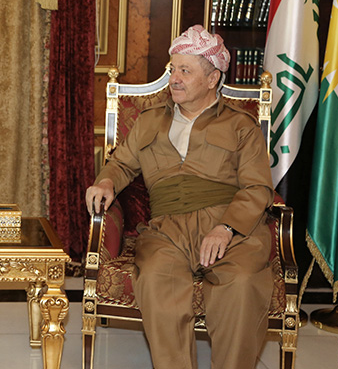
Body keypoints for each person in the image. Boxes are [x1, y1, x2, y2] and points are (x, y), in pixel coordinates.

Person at [85, 25, 274, 369]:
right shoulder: (148, 121)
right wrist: (107, 182)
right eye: (174, 69)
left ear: (213, 78)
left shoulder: (241, 126)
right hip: (167, 229)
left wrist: (227, 229)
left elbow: (258, 187)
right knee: (158, 279)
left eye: (185, 70)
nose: (175, 78)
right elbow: (121, 164)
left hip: (231, 229)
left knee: (242, 284)